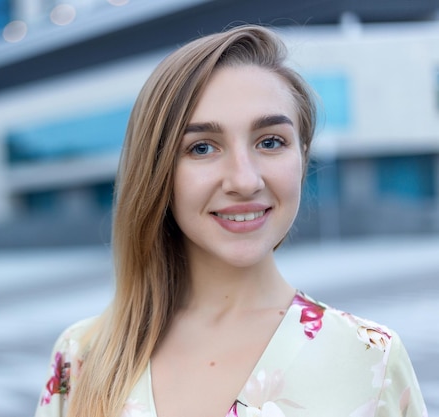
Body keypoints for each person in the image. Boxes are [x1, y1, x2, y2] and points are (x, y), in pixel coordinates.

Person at [34, 25, 428, 417]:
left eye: (270, 142)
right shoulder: (83, 357)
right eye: (202, 147)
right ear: (157, 172)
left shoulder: (371, 363)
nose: (244, 180)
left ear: (302, 158)